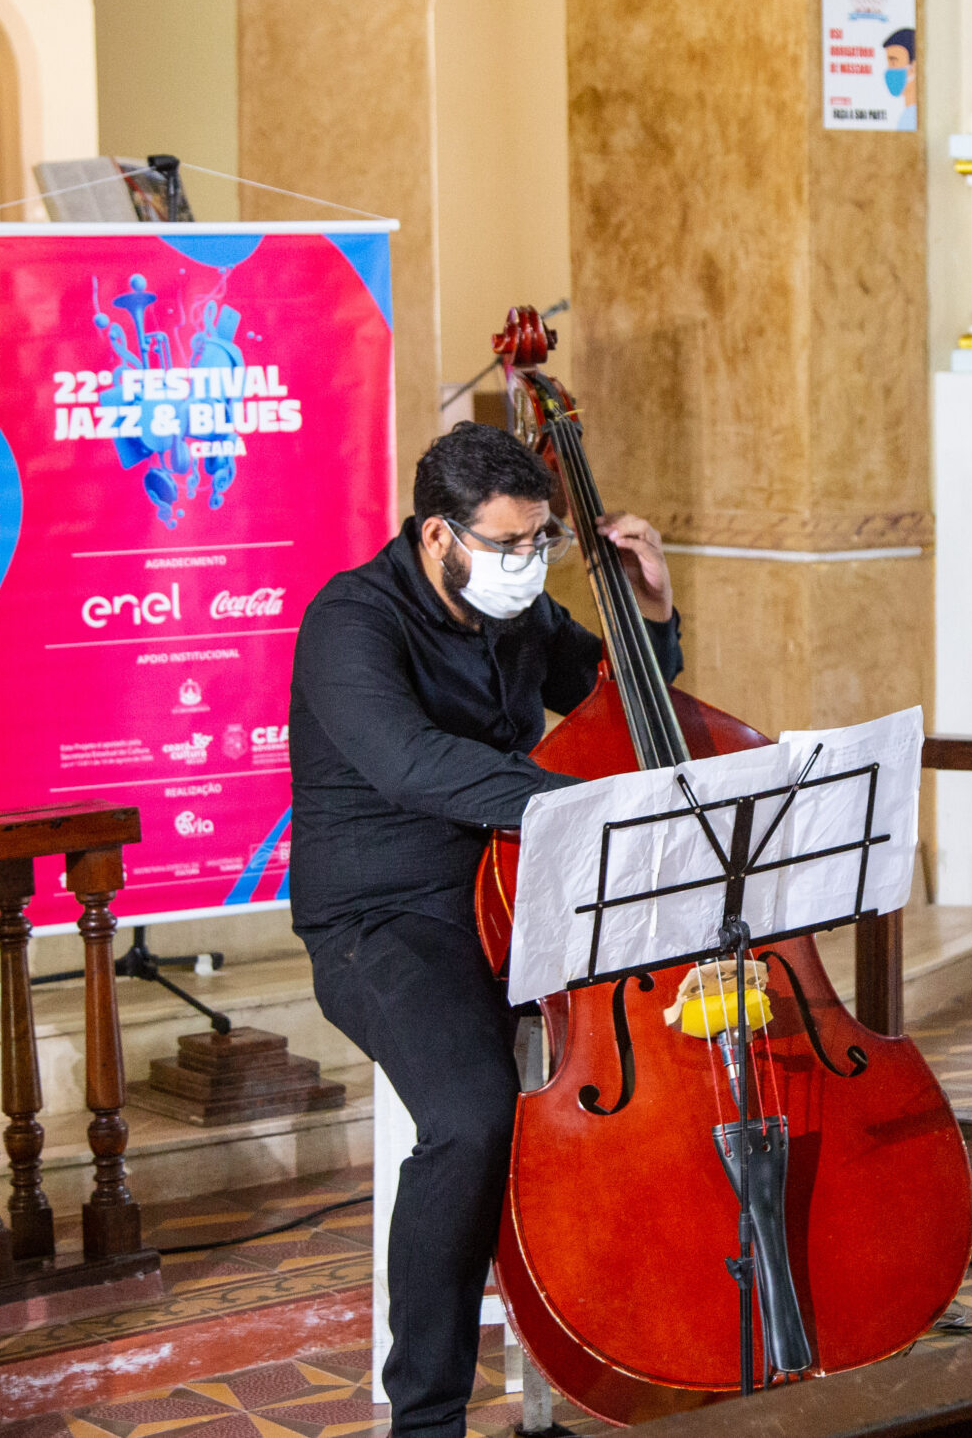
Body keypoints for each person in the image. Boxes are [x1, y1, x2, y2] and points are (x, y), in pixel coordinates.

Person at [287, 422, 678, 1438]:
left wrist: (653, 613)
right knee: (470, 1118)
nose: (527, 566)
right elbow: (414, 765)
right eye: (509, 547)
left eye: (540, 543)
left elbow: (614, 702)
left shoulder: (518, 610)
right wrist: (572, 802)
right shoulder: (349, 621)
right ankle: (427, 1415)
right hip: (387, 916)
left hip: (517, 888)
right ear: (435, 538)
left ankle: (644, 1332)